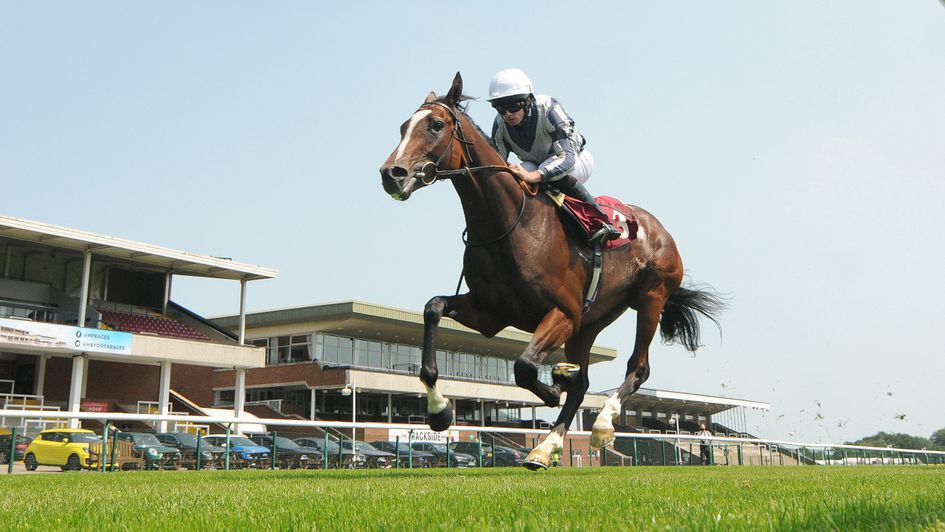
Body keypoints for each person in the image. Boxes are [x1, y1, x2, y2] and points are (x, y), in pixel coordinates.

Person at [487, 68, 622, 246]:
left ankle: (602, 222)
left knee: (546, 175)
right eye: (500, 108)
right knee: (513, 178)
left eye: (513, 106)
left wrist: (533, 176)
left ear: (528, 100)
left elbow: (566, 158)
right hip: (537, 163)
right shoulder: (500, 123)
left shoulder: (549, 108)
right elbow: (497, 164)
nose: (507, 114)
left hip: (575, 161)